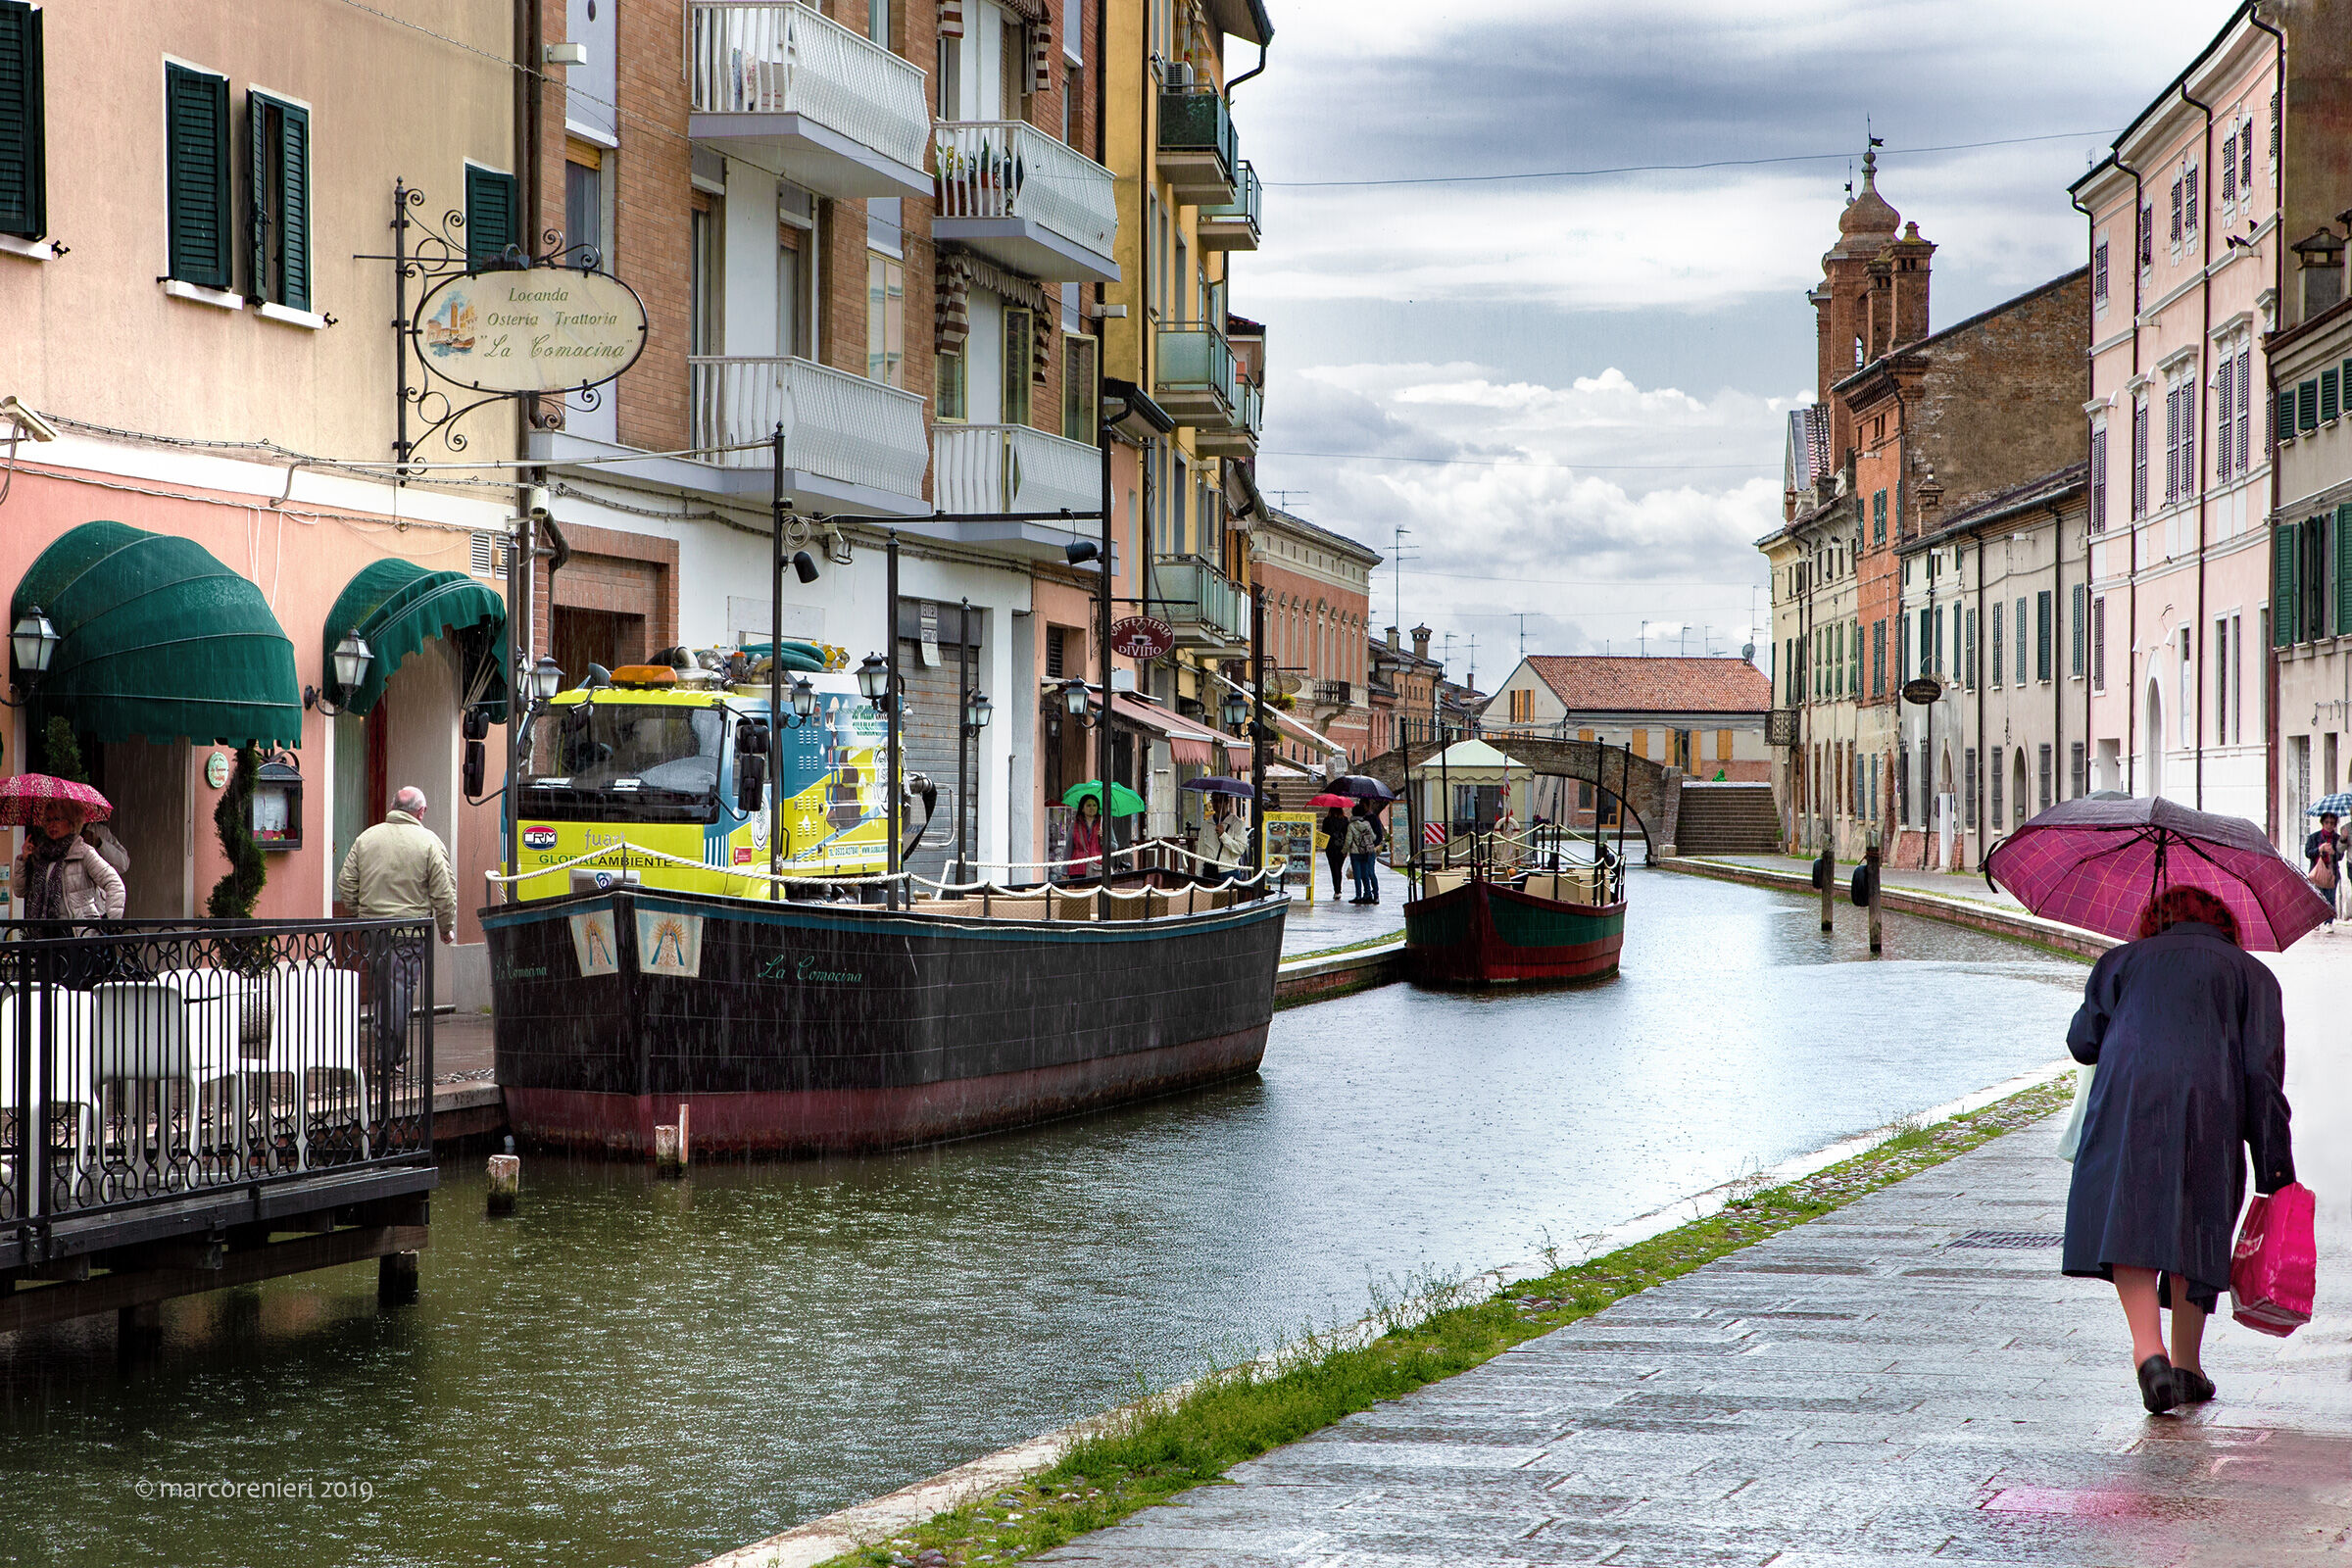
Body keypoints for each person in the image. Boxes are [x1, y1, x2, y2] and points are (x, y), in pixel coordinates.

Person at [2062, 885, 2294, 1414]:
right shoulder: (2252, 976)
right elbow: (2261, 1074)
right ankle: (2187, 1366)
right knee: (2201, 1218)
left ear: (2153, 921)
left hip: (2129, 1097)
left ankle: (2152, 1357)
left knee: (2131, 1216)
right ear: (2227, 926)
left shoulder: (2121, 962)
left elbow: (2082, 1042)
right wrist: (2274, 1168)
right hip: (2211, 1105)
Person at [337, 786, 457, 1078]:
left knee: (383, 992)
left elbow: (345, 883)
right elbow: (444, 891)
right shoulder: (429, 842)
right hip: (409, 933)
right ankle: (391, 1058)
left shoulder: (367, 838)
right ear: (421, 811)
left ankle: (389, 1054)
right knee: (398, 994)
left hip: (374, 931)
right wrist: (446, 927)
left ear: (393, 807)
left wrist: (362, 913)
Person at [17, 801, 124, 925]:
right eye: (48, 820)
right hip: (45, 936)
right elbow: (20, 891)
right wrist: (23, 860)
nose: (52, 825)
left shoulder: (83, 852)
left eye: (57, 819)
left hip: (78, 937)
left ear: (72, 822)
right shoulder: (41, 855)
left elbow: (115, 884)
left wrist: (110, 922)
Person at [2304, 811, 2342, 927]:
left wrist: (2333, 853)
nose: (2329, 825)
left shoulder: (2337, 838)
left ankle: (2328, 922)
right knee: (2317, 898)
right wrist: (2320, 849)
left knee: (2330, 897)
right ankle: (2317, 921)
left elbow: (2340, 856)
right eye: (2326, 822)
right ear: (2322, 823)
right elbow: (2308, 853)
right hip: (2317, 872)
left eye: (2332, 823)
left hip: (2332, 873)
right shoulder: (2314, 837)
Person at [1346, 805, 1381, 904]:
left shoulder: (1351, 826)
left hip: (1355, 852)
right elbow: (1373, 837)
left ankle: (1358, 895)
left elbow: (1348, 841)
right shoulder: (1367, 824)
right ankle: (1368, 894)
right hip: (1366, 852)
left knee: (1357, 875)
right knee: (1366, 873)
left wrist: (1344, 850)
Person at [1067, 792, 1104, 882]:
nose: (1092, 808)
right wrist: (1064, 872)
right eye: (1088, 805)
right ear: (1082, 809)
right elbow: (1068, 848)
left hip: (1097, 867)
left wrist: (1104, 839)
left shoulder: (1104, 824)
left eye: (1094, 805)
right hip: (1077, 869)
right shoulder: (1075, 825)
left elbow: (1114, 846)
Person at [1321, 807, 1348, 900]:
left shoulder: (1327, 820)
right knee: (1339, 868)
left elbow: (1324, 833)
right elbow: (1347, 834)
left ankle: (1336, 890)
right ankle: (1338, 889)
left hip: (1330, 847)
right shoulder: (1345, 820)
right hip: (1341, 847)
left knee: (1334, 869)